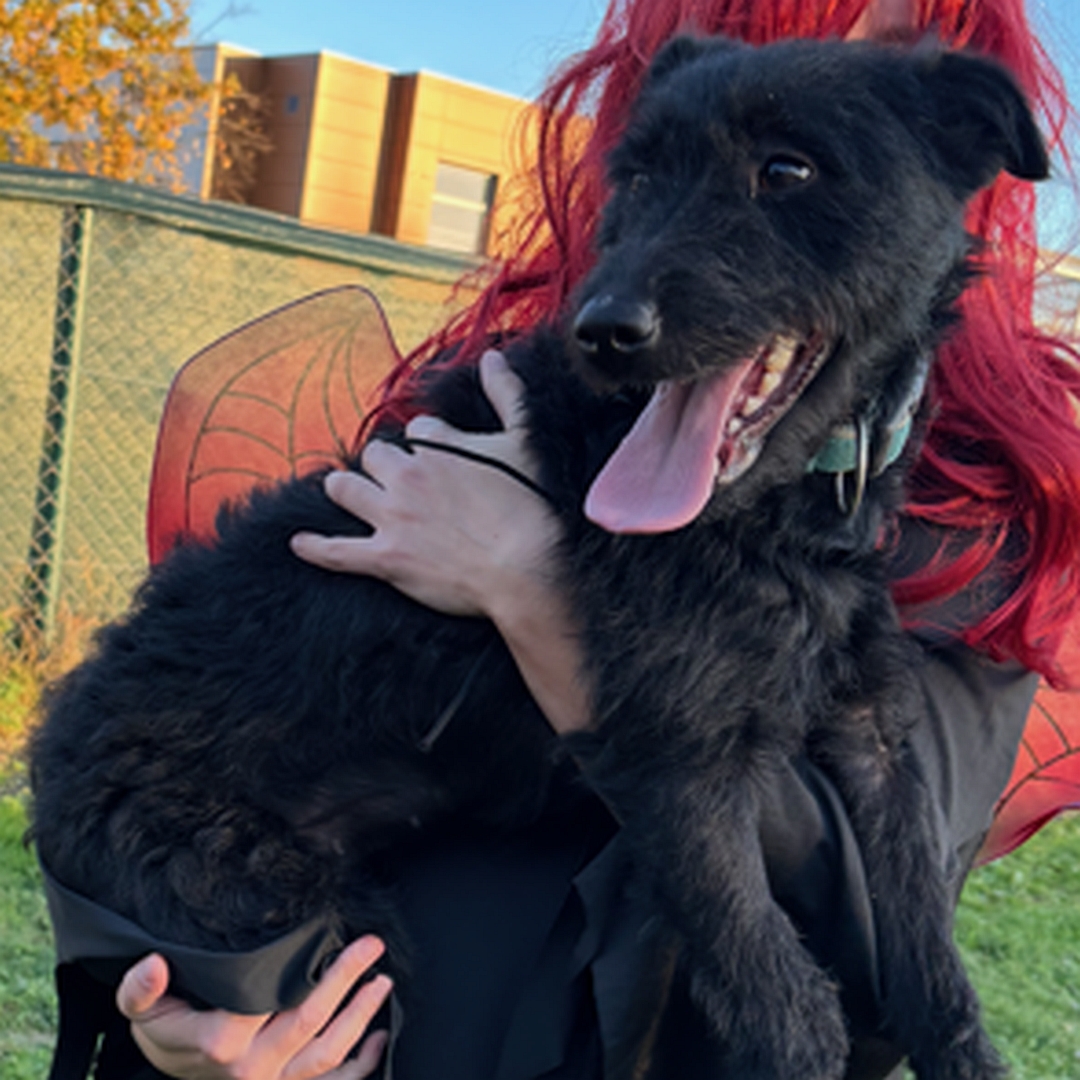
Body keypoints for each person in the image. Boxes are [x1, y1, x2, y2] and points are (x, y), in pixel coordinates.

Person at [114, 0, 1080, 1077]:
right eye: (654, 174)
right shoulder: (533, 400)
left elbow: (864, 850)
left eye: (791, 168)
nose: (837, 74)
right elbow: (161, 744)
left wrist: (530, 589)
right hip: (374, 967)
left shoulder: (1000, 494)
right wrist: (194, 1012)